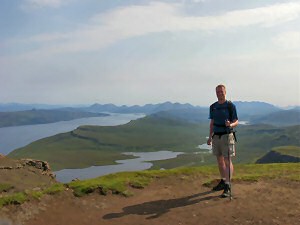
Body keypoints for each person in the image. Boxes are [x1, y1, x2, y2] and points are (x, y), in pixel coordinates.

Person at [207, 84, 238, 198]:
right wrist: (210, 137)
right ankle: (223, 181)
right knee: (219, 160)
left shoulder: (230, 106)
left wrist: (231, 124)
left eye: (221, 91)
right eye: (217, 92)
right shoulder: (213, 107)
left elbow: (236, 121)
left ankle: (228, 185)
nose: (219, 93)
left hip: (227, 135)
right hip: (216, 136)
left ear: (225, 92)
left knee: (227, 160)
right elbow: (212, 123)